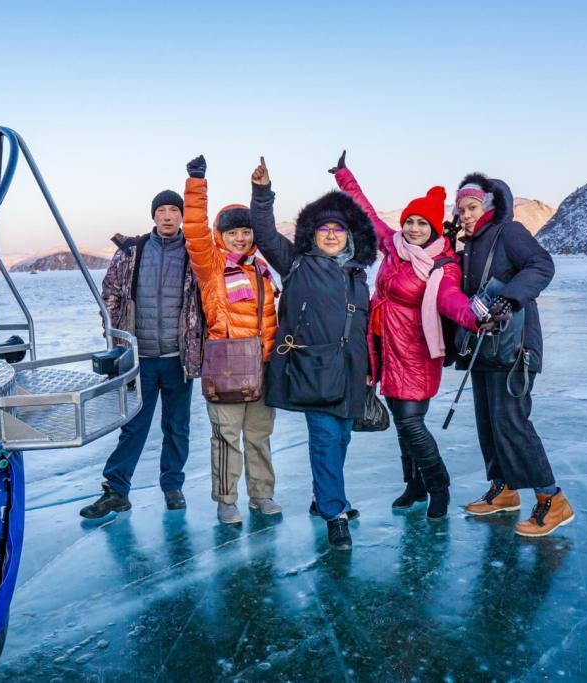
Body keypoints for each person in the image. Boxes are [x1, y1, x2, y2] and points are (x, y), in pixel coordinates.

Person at [330, 151, 479, 518]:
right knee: (402, 424)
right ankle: (413, 486)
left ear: (433, 228)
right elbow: (364, 213)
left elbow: (452, 301)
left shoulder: (442, 265)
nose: (413, 228)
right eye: (409, 221)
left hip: (416, 353)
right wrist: (345, 178)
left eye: (421, 224)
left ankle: (438, 486)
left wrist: (477, 318)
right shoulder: (394, 247)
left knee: (412, 423)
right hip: (386, 352)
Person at [249, 157, 377, 550]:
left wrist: (372, 369)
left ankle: (324, 496)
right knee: (324, 438)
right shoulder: (297, 264)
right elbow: (266, 234)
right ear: (313, 235)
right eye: (325, 230)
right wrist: (262, 194)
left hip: (352, 371)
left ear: (350, 236)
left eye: (339, 230)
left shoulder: (357, 276)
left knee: (340, 439)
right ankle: (334, 514)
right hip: (314, 367)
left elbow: (363, 327)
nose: (332, 235)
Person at [453, 173, 575, 537]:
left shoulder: (509, 232)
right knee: (488, 422)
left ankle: (552, 499)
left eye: (472, 207)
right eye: (461, 210)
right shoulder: (470, 244)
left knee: (512, 422)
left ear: (489, 205)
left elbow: (541, 265)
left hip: (515, 347)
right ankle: (504, 489)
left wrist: (511, 296)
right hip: (484, 346)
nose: (466, 215)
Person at [79, 189, 205, 519]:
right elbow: (110, 296)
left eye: (173, 210)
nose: (167, 216)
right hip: (141, 359)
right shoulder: (132, 252)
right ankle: (116, 490)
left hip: (178, 359)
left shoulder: (194, 253)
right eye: (161, 210)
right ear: (153, 216)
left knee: (177, 426)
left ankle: (172, 485)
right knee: (133, 426)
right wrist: (115, 339)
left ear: (181, 216)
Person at [182, 154, 282, 525]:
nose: (240, 238)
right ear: (221, 236)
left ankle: (262, 494)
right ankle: (226, 500)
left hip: (261, 365)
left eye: (245, 232)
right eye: (232, 233)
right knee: (226, 437)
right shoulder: (211, 266)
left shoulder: (262, 268)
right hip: (225, 366)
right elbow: (193, 231)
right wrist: (196, 182)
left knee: (258, 435)